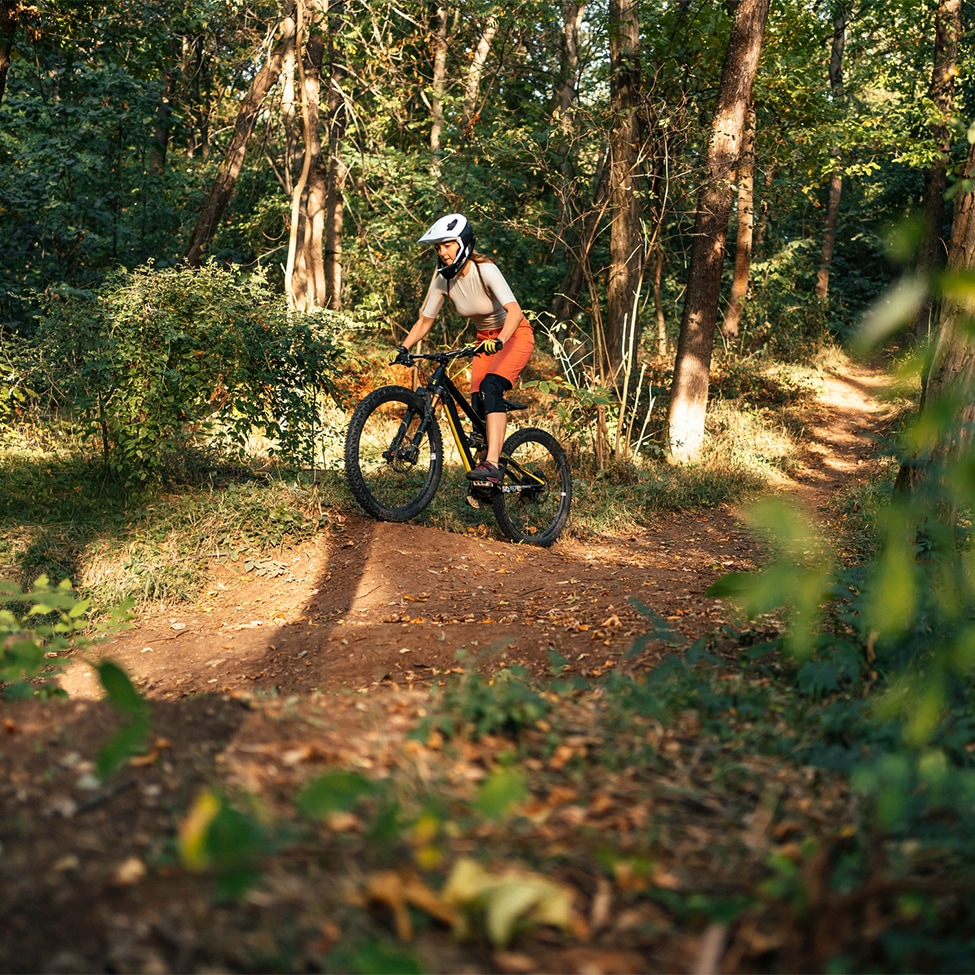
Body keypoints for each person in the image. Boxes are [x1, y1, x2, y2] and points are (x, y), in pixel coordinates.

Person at [393, 213, 534, 485]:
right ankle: (485, 481)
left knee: (491, 387)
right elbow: (425, 320)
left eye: (447, 244)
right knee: (478, 404)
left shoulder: (485, 270)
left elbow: (515, 312)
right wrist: (403, 347)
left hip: (515, 335)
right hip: (485, 340)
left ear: (463, 242)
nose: (442, 252)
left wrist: (501, 340)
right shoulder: (443, 279)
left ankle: (492, 464)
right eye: (438, 247)